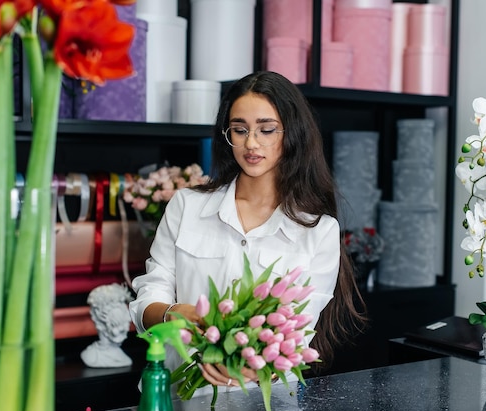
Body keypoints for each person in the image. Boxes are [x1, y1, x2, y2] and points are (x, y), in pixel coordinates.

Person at [129, 70, 366, 391]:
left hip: (263, 404)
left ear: (292, 133)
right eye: (239, 130)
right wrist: (173, 314)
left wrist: (253, 368)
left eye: (266, 130)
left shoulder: (319, 231)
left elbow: (298, 332)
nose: (251, 143)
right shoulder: (186, 206)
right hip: (178, 395)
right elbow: (148, 300)